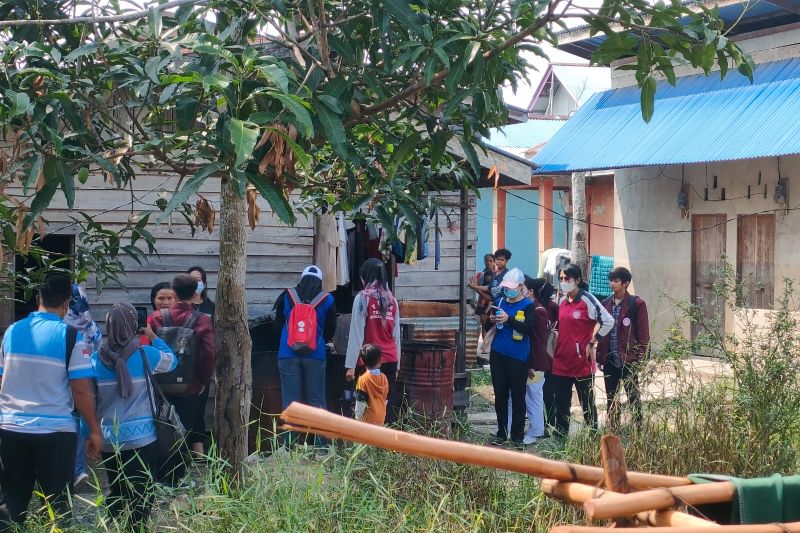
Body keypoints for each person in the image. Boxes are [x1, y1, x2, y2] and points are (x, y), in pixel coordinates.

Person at [0, 273, 102, 529]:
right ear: (66, 303)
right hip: (55, 433)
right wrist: (93, 430)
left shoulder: (12, 331)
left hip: (11, 429)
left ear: (38, 297)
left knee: (12, 501)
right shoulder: (71, 336)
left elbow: (2, 379)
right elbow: (81, 390)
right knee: (57, 505)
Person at [91, 303, 176, 530]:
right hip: (143, 438)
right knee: (142, 492)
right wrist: (153, 336)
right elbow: (172, 360)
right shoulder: (146, 354)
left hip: (110, 439)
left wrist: (89, 434)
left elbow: (90, 401)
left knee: (116, 489)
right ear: (133, 326)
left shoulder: (95, 360)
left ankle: (115, 527)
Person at [148, 274, 216, 457]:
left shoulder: (156, 317)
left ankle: (161, 467)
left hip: (159, 385)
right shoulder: (202, 320)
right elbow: (209, 352)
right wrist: (202, 381)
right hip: (189, 385)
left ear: (174, 294)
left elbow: (146, 347)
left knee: (160, 426)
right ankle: (179, 468)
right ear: (195, 294)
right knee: (184, 426)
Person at [273, 266, 337, 446]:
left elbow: (277, 326)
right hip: (316, 355)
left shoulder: (287, 296)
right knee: (317, 400)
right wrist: (320, 340)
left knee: (290, 400)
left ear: (302, 279)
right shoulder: (327, 299)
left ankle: (288, 446)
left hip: (287, 354)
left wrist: (287, 340)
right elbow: (331, 328)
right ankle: (321, 447)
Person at [551, 264, 613, 437]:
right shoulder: (561, 301)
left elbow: (608, 321)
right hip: (561, 361)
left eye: (567, 278)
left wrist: (592, 342)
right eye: (561, 279)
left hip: (581, 362)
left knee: (587, 403)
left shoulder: (587, 300)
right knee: (561, 403)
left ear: (577, 280)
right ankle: (561, 436)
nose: (564, 282)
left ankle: (592, 436)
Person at [345, 259, 401, 423]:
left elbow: (356, 333)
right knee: (384, 405)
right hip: (390, 360)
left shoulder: (362, 299)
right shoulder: (392, 300)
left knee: (363, 406)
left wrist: (350, 365)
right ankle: (385, 437)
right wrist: (397, 365)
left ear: (366, 277)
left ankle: (365, 437)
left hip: (368, 361)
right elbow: (396, 336)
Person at [488, 268, 537, 447]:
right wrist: (491, 319)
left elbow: (529, 329)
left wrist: (508, 319)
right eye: (506, 287)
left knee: (518, 397)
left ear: (521, 286)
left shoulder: (528, 305)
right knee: (500, 395)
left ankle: (517, 436)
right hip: (498, 353)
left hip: (518, 357)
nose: (508, 290)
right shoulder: (499, 301)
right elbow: (488, 323)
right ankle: (501, 431)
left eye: (511, 287)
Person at [596, 267, 650, 430]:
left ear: (625, 283)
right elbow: (601, 331)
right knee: (611, 398)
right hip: (610, 358)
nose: (612, 284)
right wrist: (600, 356)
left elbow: (643, 332)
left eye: (616, 281)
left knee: (633, 396)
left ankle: (638, 429)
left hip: (628, 358)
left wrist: (641, 356)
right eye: (611, 280)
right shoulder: (606, 303)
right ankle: (613, 430)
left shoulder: (636, 304)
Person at [64, 283, 102, 487]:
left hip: (61, 382)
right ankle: (78, 469)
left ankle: (71, 468)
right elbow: (97, 351)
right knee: (80, 422)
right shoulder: (91, 326)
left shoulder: (61, 325)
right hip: (85, 380)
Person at [506, 277, 552, 445]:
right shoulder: (529, 307)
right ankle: (510, 429)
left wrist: (531, 364)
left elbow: (537, 341)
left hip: (534, 363)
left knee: (533, 397)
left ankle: (536, 431)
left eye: (522, 287)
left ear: (530, 291)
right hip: (525, 360)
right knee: (517, 396)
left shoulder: (538, 310)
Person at [527, 277, 559, 436]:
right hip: (546, 354)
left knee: (544, 392)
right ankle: (545, 423)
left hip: (546, 354)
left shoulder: (546, 307)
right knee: (543, 392)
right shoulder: (537, 306)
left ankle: (548, 423)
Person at [354, 344, 389, 426]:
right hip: (381, 417)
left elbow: (361, 402)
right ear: (380, 361)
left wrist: (357, 419)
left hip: (367, 419)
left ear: (362, 361)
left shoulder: (363, 379)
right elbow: (385, 399)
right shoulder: (384, 378)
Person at [468, 253, 496, 330]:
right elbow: (474, 286)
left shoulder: (497, 275)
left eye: (491, 261)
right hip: (482, 304)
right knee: (484, 325)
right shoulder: (480, 275)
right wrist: (482, 294)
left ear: (494, 262)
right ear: (484, 261)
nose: (488, 263)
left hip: (493, 304)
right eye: (487, 261)